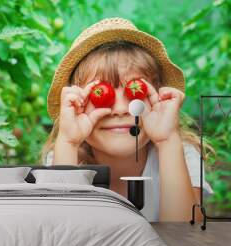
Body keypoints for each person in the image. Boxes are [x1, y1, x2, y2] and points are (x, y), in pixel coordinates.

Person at [41, 18, 214, 222]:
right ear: (77, 105)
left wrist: (168, 141)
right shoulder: (65, 156)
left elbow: (186, 241)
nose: (122, 109)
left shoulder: (180, 154)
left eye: (136, 92)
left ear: (156, 99)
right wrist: (68, 142)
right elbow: (59, 236)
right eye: (100, 94)